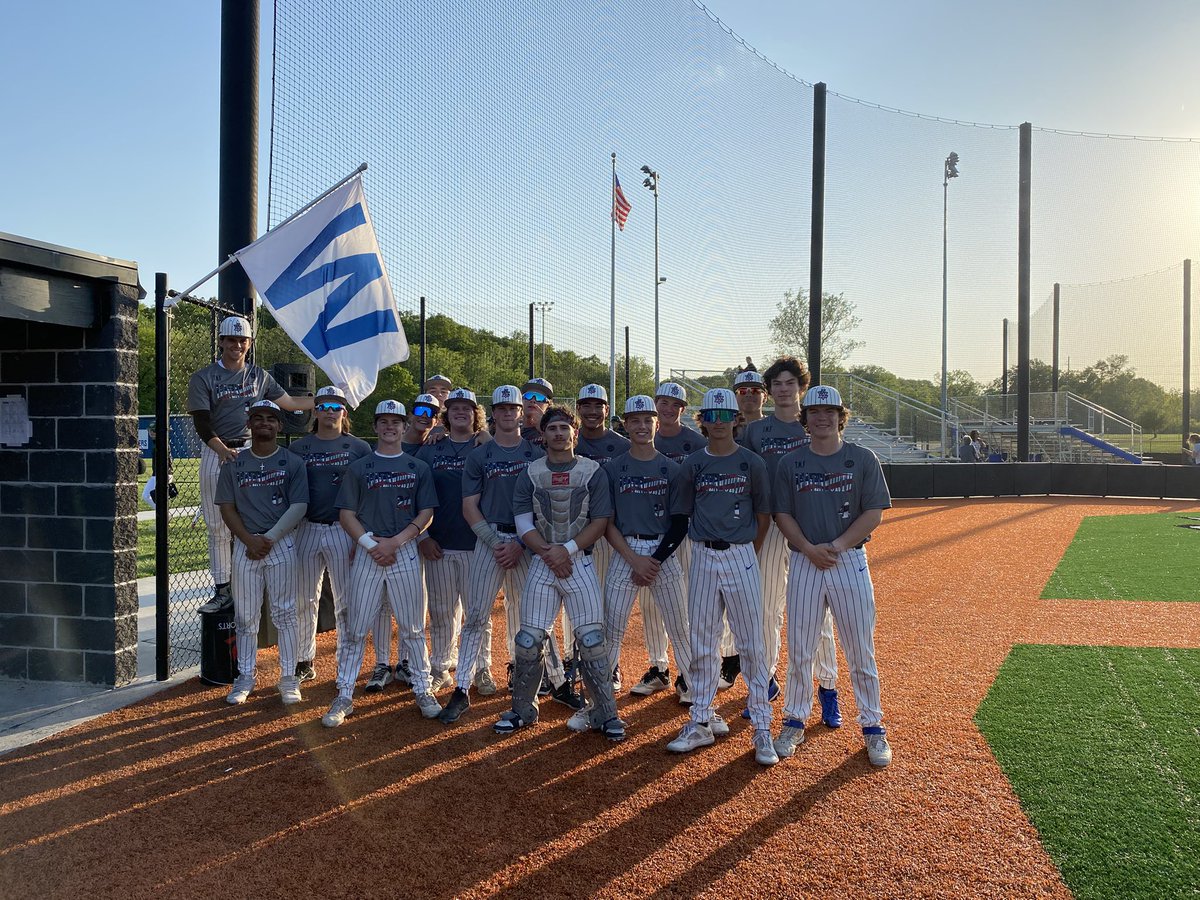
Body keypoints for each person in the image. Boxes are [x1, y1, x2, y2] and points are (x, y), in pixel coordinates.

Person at [438, 386, 576, 725]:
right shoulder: (479, 456)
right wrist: (495, 542)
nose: (507, 413)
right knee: (476, 616)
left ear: (521, 412)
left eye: (513, 408)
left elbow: (544, 504)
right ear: (494, 413)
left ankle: (557, 682)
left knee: (537, 618)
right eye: (501, 408)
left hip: (528, 541)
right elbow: (469, 506)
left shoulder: (535, 452)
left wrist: (521, 544)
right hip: (490, 541)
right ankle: (461, 688)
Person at [771, 385, 893, 767]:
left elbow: (873, 513)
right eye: (815, 411)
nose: (822, 417)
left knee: (860, 649)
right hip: (806, 561)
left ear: (841, 416)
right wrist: (809, 548)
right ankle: (793, 720)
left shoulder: (862, 458)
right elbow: (782, 515)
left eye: (830, 411)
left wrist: (836, 546)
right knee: (801, 649)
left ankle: (873, 728)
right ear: (805, 419)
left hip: (849, 559)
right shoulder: (790, 463)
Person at [496, 405, 623, 740]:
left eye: (564, 428)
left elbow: (600, 521)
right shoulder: (531, 472)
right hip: (542, 561)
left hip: (578, 560)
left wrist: (565, 550)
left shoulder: (592, 471)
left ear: (574, 434)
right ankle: (523, 710)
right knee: (528, 640)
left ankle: (605, 713)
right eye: (552, 428)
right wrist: (550, 552)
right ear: (544, 434)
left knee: (592, 640)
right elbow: (524, 522)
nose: (558, 434)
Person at [666, 388, 778, 766]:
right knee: (703, 640)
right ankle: (700, 720)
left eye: (724, 415)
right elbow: (682, 513)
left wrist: (750, 551)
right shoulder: (693, 463)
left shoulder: (752, 462)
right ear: (702, 420)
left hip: (741, 554)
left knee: (751, 643)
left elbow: (763, 515)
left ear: (736, 419)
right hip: (701, 555)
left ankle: (763, 727)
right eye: (710, 416)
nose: (717, 422)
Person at [322, 400, 441, 727]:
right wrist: (370, 544)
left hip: (402, 550)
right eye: (383, 421)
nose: (390, 427)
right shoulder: (360, 467)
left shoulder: (417, 467)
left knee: (413, 627)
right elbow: (346, 514)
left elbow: (426, 513)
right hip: (368, 550)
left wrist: (397, 541)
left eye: (396, 422)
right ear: (374, 427)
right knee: (356, 627)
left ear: (405, 427)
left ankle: (423, 688)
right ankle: (344, 693)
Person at [737, 356, 842, 726]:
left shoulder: (813, 426)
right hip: (767, 526)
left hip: (808, 527)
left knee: (820, 613)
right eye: (777, 384)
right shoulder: (755, 432)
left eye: (790, 383)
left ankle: (827, 686)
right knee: (764, 610)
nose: (783, 389)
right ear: (771, 391)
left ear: (801, 387)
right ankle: (762, 684)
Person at [188, 315, 314, 615]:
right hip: (217, 450)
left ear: (249, 343)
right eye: (231, 340)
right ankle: (223, 588)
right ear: (221, 342)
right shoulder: (204, 377)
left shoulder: (258, 376)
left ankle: (257, 579)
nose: (236, 345)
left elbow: (291, 404)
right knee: (217, 524)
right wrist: (221, 450)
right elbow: (202, 423)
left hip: (250, 450)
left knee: (258, 517)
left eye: (242, 340)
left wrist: (328, 399)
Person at [598, 395, 693, 705]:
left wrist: (653, 560)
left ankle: (695, 691)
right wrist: (634, 559)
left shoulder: (671, 468)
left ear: (656, 423)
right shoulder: (613, 468)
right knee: (612, 629)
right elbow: (607, 523)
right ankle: (601, 699)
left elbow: (679, 523)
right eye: (634, 420)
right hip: (626, 551)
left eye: (647, 420)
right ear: (625, 425)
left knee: (680, 628)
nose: (641, 425)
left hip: (662, 552)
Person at [214, 400, 309, 706]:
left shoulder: (292, 462)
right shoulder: (233, 462)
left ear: (280, 426)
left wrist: (267, 538)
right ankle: (245, 677)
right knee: (245, 617)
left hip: (279, 544)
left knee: (285, 614)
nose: (264, 423)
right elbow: (226, 507)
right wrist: (248, 540)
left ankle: (288, 678)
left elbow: (299, 506)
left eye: (271, 418)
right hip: (245, 547)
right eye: (258, 418)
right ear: (249, 424)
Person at [288, 385, 372, 682]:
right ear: (315, 411)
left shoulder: (359, 448)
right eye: (323, 406)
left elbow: (368, 493)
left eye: (335, 406)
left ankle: (346, 663)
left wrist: (361, 535)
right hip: (308, 528)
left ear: (344, 412)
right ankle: (303, 659)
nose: (329, 411)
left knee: (346, 600)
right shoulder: (299, 447)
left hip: (344, 530)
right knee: (303, 598)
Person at [630, 382, 707, 697]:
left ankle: (690, 672)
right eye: (663, 401)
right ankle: (659, 667)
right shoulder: (643, 438)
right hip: (651, 531)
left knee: (686, 602)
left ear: (683, 410)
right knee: (649, 603)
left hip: (685, 531)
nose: (668, 408)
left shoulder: (696, 442)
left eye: (675, 404)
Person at [416, 388, 492, 694]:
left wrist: (489, 437)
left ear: (476, 415)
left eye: (468, 408)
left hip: (477, 544)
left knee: (479, 612)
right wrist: (422, 535)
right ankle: (441, 667)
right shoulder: (431, 448)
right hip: (440, 542)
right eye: (455, 407)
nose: (461, 411)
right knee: (441, 610)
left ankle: (481, 667)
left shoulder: (487, 447)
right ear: (446, 415)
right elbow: (414, 494)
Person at [573, 383, 631, 685]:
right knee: (577, 601)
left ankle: (611, 663)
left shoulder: (622, 444)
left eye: (599, 405)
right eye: (587, 405)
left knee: (607, 603)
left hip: (609, 533)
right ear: (578, 408)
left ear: (607, 409)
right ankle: (577, 658)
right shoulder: (569, 440)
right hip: (574, 533)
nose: (593, 411)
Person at [732, 369, 767, 442]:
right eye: (742, 391)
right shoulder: (725, 428)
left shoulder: (775, 426)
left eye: (755, 390)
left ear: (765, 397)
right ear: (734, 397)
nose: (749, 394)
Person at [520, 377, 554, 447]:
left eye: (539, 397)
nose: (533, 400)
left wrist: (542, 429)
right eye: (528, 396)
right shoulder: (512, 428)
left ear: (548, 405)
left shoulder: (555, 431)